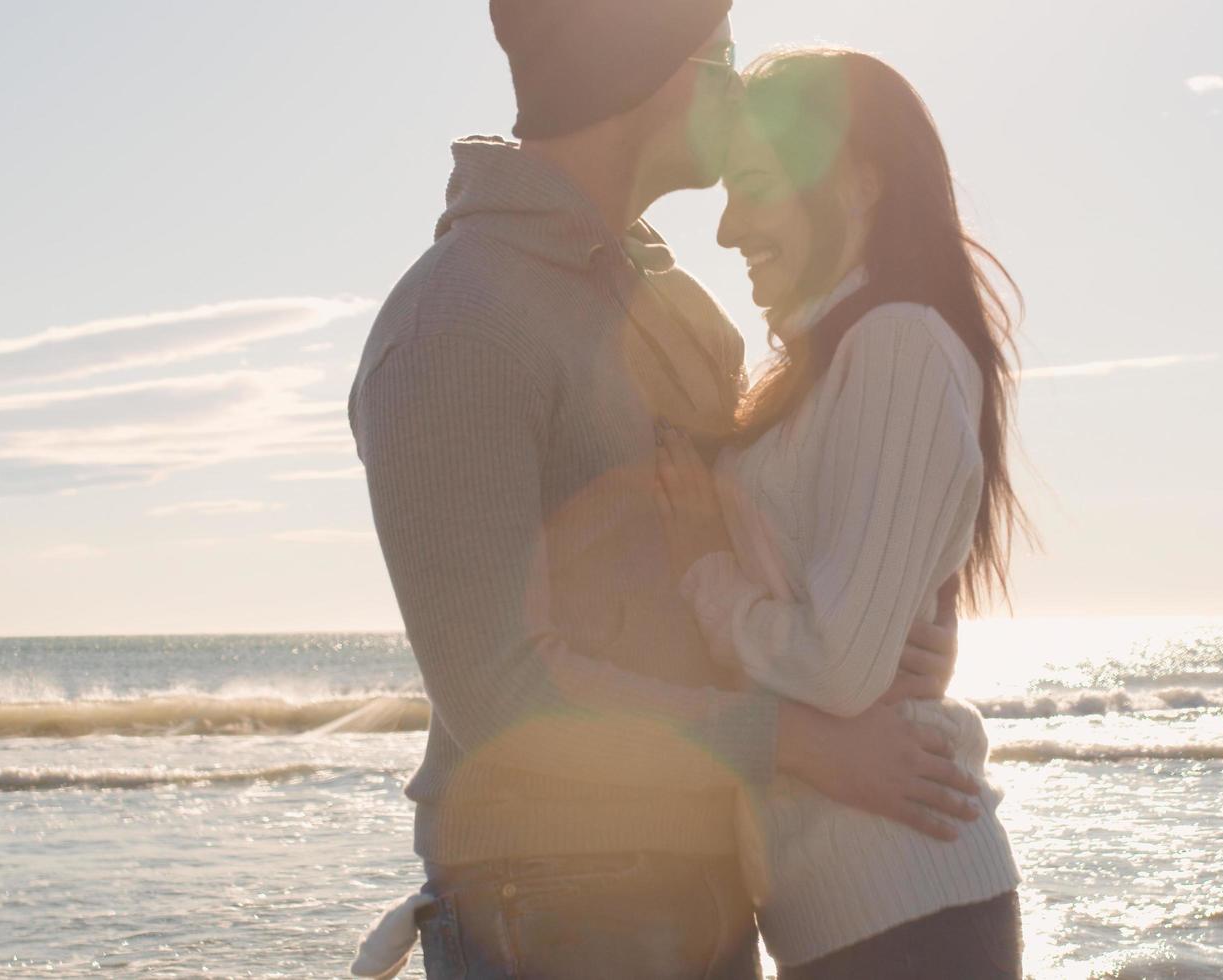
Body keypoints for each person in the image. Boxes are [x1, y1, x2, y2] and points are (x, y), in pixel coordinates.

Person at [348, 4, 983, 976]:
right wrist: (803, 741)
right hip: (554, 900)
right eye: (721, 58)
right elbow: (502, 694)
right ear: (647, 72)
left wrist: (896, 629)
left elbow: (729, 560)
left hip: (709, 881)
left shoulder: (676, 307)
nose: (739, 88)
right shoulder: (455, 324)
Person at [653, 46, 1034, 978]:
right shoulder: (823, 366)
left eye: (752, 188)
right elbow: (853, 628)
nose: (730, 227)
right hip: (851, 915)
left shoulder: (897, 346)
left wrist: (704, 566)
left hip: (909, 910)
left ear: (859, 184)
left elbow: (838, 667)